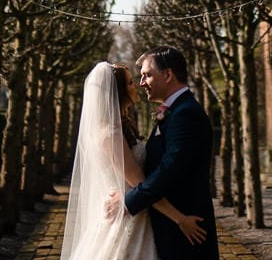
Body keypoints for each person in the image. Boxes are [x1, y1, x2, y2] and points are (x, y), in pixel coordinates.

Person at [60, 61, 206, 260]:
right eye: (130, 83)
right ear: (118, 92)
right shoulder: (110, 134)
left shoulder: (120, 127)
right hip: (128, 219)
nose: (136, 85)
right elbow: (141, 183)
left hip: (134, 210)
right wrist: (180, 219)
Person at [124, 46, 220, 260]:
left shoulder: (186, 114)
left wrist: (128, 201)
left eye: (147, 75)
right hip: (170, 227)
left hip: (186, 231)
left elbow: (170, 169)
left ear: (168, 75)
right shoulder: (174, 111)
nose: (142, 83)